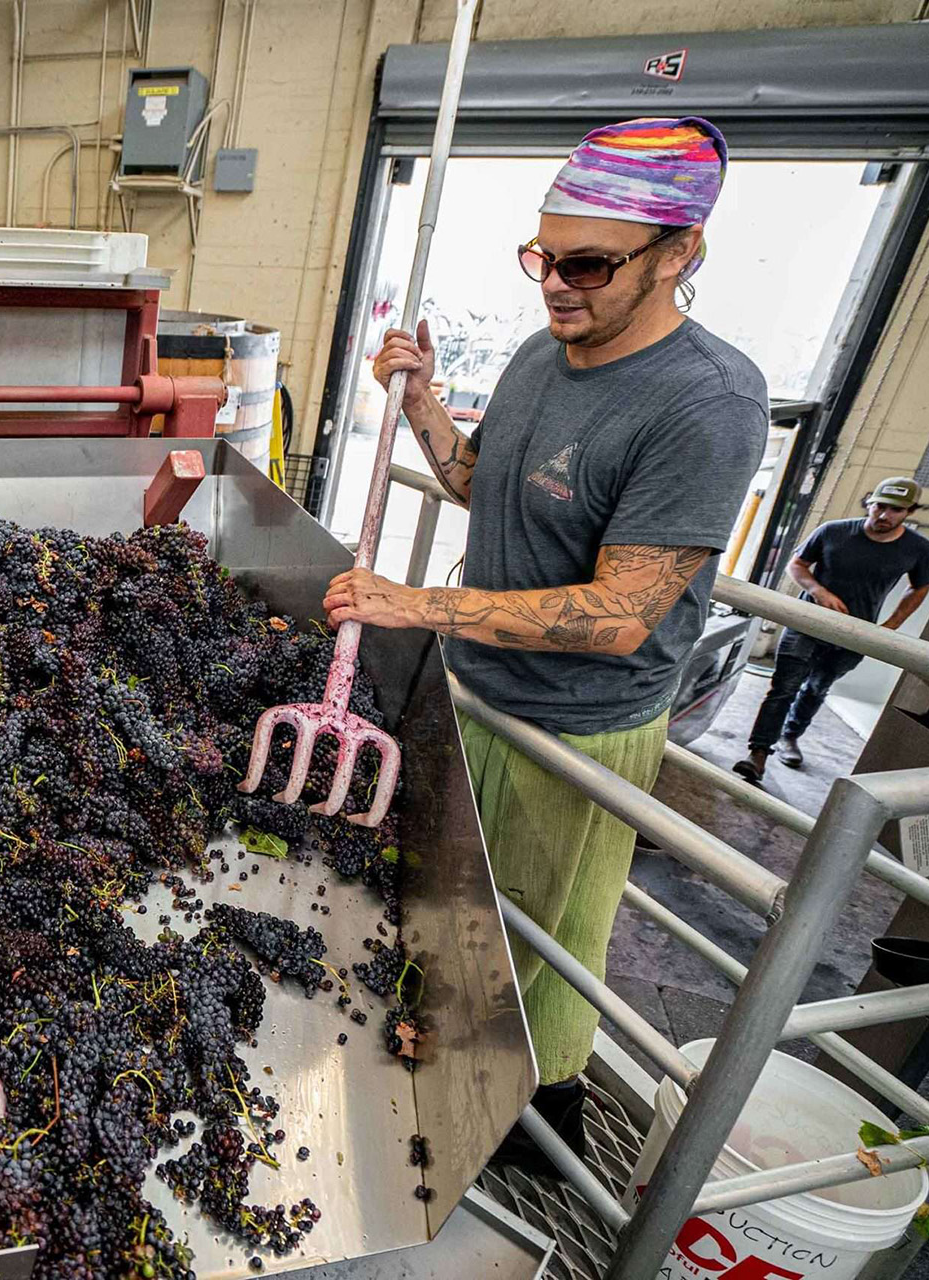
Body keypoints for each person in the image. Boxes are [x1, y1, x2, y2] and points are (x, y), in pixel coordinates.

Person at [325, 118, 766, 1171]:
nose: (555, 286)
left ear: (679, 255)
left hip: (574, 728)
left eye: (588, 263)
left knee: (533, 934)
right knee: (457, 904)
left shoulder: (705, 402)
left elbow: (621, 615)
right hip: (480, 686)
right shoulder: (539, 354)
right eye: (542, 256)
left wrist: (421, 605)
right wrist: (424, 401)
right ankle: (463, 1068)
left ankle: (531, 1119)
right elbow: (478, 484)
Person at [734, 478, 929, 783]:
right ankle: (758, 753)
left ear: (909, 512)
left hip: (856, 634)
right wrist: (818, 591)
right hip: (808, 623)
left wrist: (891, 627)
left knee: (816, 688)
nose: (884, 515)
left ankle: (791, 735)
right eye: (880, 506)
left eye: (895, 510)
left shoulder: (918, 548)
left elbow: (919, 587)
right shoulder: (834, 531)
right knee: (784, 688)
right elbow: (797, 564)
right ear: (869, 503)